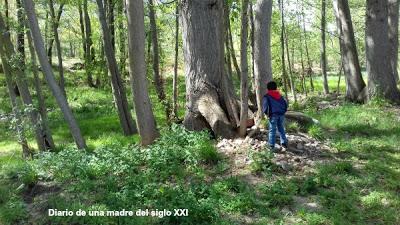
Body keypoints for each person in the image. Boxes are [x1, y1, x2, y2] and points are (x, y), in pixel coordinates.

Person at [262, 81, 288, 152]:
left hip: (273, 115)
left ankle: (271, 146)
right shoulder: (280, 96)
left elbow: (265, 107)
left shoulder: (267, 96)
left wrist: (267, 114)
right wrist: (283, 111)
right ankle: (284, 143)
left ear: (268, 88)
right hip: (281, 115)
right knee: (281, 128)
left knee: (272, 130)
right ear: (276, 88)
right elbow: (285, 105)